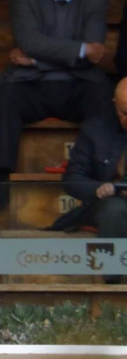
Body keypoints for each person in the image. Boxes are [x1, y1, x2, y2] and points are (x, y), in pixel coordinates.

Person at [0, 0, 111, 211]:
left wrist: (35, 60)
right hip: (32, 87)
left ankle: (99, 180)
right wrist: (79, 51)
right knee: (5, 94)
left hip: (78, 86)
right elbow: (29, 41)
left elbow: (95, 54)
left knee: (102, 93)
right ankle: (4, 178)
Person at [60, 78, 127, 256]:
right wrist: (97, 188)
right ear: (114, 105)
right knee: (114, 211)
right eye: (125, 112)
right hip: (111, 202)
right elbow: (72, 178)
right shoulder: (95, 130)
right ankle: (112, 280)